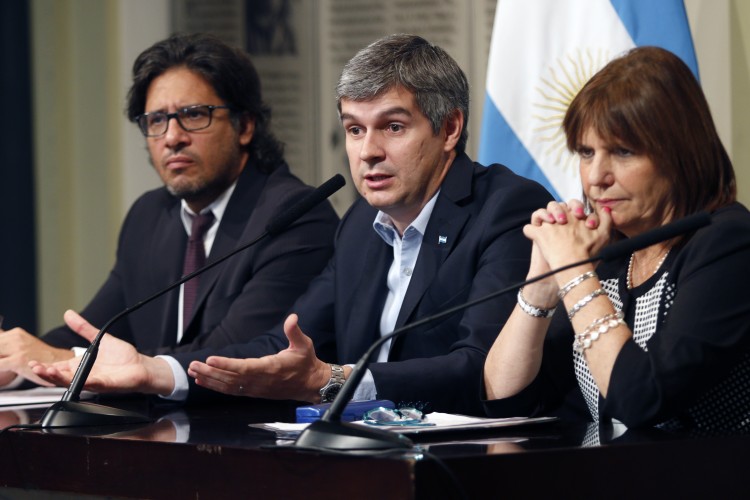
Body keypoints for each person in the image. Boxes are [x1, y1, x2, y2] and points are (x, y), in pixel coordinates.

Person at [32, 33, 552, 416]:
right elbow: (277, 347)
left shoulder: (506, 207)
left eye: (393, 127)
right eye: (354, 129)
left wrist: (337, 379)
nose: (368, 152)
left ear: (450, 128)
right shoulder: (360, 226)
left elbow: (479, 366)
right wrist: (159, 372)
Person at [1, 33, 338, 388]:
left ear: (245, 126)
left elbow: (233, 354)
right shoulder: (149, 215)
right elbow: (95, 330)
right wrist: (17, 364)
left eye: (194, 115)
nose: (172, 137)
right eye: (157, 120)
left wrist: (65, 360)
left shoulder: (294, 217)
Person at [483, 46, 750, 432]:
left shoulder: (728, 243)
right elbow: (504, 400)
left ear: (680, 153)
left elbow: (642, 399)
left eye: (623, 152)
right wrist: (541, 287)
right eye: (586, 152)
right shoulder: (610, 254)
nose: (596, 177)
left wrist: (575, 276)